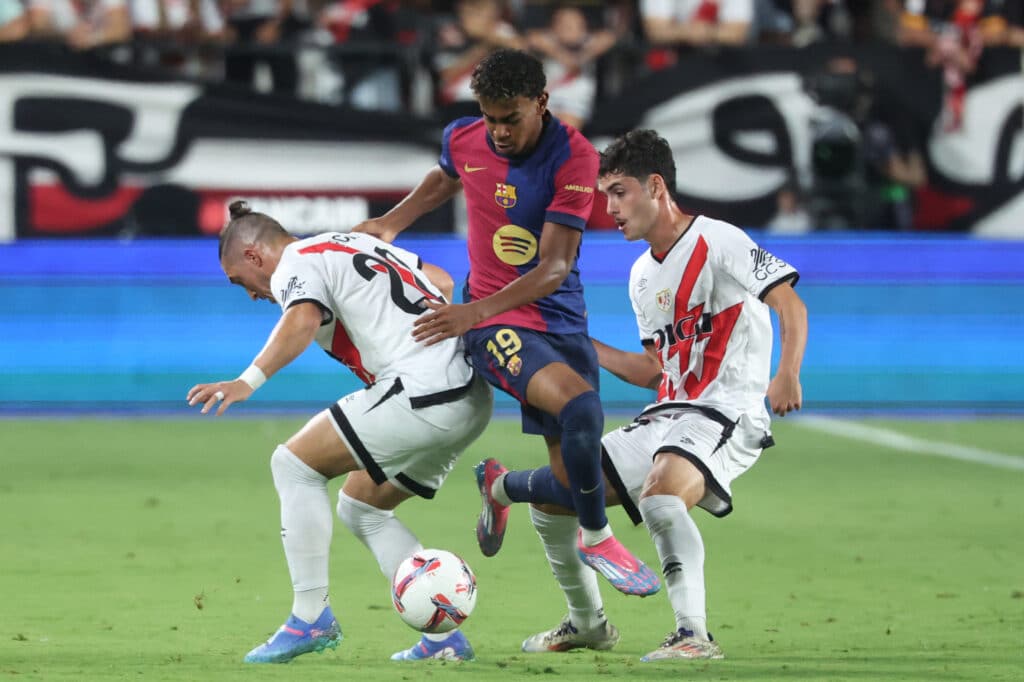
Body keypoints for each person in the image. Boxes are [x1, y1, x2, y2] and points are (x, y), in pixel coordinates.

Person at [482, 129, 807, 660]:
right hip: (668, 413)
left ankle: (693, 634)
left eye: (618, 192)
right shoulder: (640, 275)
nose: (607, 207)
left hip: (728, 410)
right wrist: (579, 345)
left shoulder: (718, 241)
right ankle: (585, 620)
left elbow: (790, 305)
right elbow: (656, 370)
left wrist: (787, 372)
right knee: (559, 494)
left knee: (662, 491)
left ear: (656, 186)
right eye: (603, 194)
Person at [354, 48, 659, 597]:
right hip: (493, 322)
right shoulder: (463, 136)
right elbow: (446, 177)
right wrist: (391, 222)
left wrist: (472, 310)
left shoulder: (574, 157)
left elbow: (556, 266)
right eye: (489, 117)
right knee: (583, 408)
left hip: (554, 315)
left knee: (571, 481)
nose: (496, 131)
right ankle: (598, 539)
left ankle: (502, 486)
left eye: (510, 119)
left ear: (541, 102)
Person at [186, 201, 492, 663]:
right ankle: (441, 638)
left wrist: (245, 381)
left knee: (293, 465)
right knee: (361, 507)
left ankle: (309, 618)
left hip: (423, 391)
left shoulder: (296, 260)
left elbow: (303, 320)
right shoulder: (353, 243)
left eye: (239, 282)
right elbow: (443, 280)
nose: (250, 294)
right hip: (470, 396)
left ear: (254, 257)